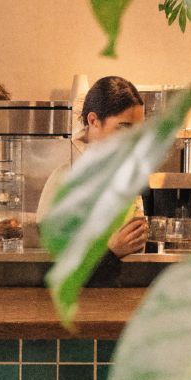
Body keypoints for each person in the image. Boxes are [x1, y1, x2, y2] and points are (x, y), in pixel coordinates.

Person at [36, 76, 148, 259]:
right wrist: (111, 251)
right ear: (93, 120)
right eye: (124, 127)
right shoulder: (65, 173)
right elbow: (52, 259)